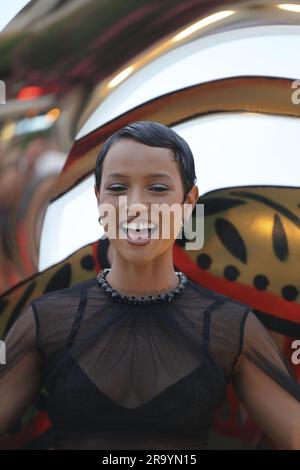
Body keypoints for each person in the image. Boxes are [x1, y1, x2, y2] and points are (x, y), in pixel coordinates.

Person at [0, 121, 300, 450]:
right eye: (117, 188)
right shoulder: (47, 320)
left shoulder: (230, 327)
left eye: (157, 188)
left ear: (188, 202)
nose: (137, 205)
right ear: (98, 199)